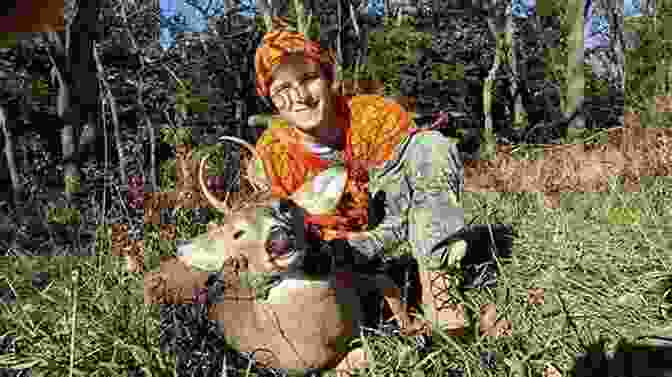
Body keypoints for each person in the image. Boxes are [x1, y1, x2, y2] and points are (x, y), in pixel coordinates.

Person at [248, 27, 469, 332]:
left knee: (430, 146)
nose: (299, 97)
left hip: (398, 228)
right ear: (270, 97)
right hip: (332, 254)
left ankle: (440, 293)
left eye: (308, 79)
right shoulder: (268, 158)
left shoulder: (374, 114)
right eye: (282, 88)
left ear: (327, 78)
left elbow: (417, 181)